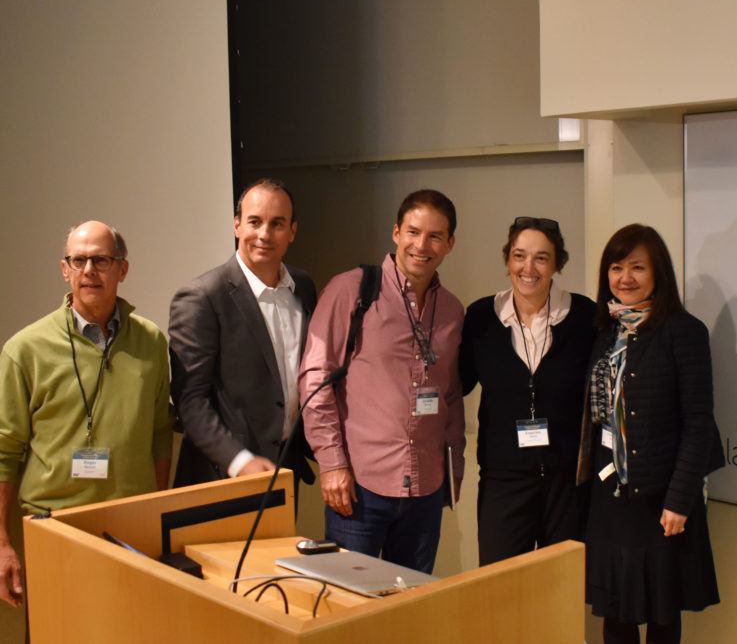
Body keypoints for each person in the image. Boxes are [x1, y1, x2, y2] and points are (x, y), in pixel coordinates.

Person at [0, 221, 174, 610]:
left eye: (100, 260)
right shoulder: (24, 350)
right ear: (65, 270)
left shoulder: (150, 342)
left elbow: (161, 432)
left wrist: (157, 509)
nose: (88, 271)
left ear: (122, 269)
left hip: (132, 529)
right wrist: (1, 543)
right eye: (78, 260)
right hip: (54, 527)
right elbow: (4, 451)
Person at [299, 189, 465, 574]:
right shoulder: (352, 291)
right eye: (413, 231)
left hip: (425, 491)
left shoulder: (453, 311)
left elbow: (450, 396)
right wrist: (331, 463)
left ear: (450, 244)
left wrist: (451, 471)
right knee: (350, 611)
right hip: (358, 487)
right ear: (395, 232)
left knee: (408, 611)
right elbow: (316, 381)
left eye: (435, 236)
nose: (421, 245)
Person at [577, 224, 725, 644]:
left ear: (658, 272)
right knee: (616, 617)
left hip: (663, 502)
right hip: (611, 501)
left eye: (638, 267)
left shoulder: (684, 331)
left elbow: (698, 422)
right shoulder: (605, 332)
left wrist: (680, 500)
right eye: (617, 267)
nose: (626, 278)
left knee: (663, 616)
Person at [459, 216, 595, 565]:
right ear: (508, 259)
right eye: (519, 256)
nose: (528, 268)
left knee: (560, 592)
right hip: (503, 481)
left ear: (557, 264)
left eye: (541, 258)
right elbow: (456, 383)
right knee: (499, 590)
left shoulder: (584, 317)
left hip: (566, 483)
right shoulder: (481, 317)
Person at [170, 178, 317, 489]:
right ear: (237, 225)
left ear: (292, 231)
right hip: (220, 476)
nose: (264, 234)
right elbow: (190, 399)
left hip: (282, 469)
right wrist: (239, 461)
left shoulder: (302, 287)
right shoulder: (202, 296)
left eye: (277, 224)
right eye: (255, 222)